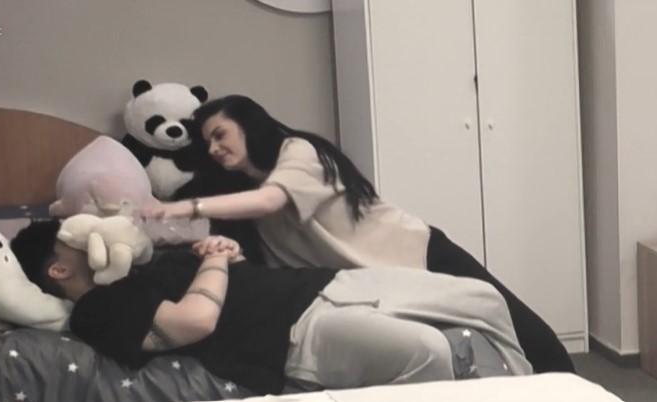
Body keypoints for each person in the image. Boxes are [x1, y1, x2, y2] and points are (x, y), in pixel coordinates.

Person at [143, 94, 575, 374]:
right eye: (208, 143)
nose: (215, 148)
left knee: (518, 326)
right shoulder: (243, 198)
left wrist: (182, 206)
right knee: (460, 346)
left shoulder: (297, 152)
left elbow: (271, 200)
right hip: (380, 282)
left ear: (248, 123)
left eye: (220, 134)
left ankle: (572, 385)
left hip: (418, 251)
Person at [11, 220, 531, 395]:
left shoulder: (143, 268)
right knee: (425, 349)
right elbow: (194, 321)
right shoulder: (96, 308)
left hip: (325, 284)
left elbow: (223, 270)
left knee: (480, 296)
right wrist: (216, 261)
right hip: (297, 335)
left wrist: (222, 252)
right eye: (71, 239)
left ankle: (537, 387)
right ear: (58, 270)